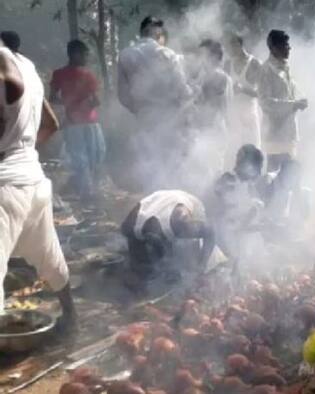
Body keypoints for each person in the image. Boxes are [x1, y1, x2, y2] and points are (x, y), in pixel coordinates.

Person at [0, 41, 76, 327]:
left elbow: (9, 83)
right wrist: (23, 151)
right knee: (50, 259)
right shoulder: (28, 66)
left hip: (5, 186)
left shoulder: (5, 64)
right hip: (32, 180)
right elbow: (51, 124)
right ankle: (72, 320)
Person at [117, 16, 193, 189]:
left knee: (148, 165)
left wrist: (139, 109)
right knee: (170, 167)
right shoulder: (168, 54)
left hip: (144, 117)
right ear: (157, 32)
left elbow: (122, 95)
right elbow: (182, 90)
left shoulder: (126, 55)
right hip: (169, 118)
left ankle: (152, 206)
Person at [120, 190, 218, 283]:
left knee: (192, 253)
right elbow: (138, 256)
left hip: (182, 199)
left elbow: (210, 232)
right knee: (142, 265)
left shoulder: (180, 223)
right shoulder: (129, 228)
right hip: (156, 200)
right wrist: (139, 267)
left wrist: (202, 263)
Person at [50, 40, 106, 202]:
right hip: (84, 123)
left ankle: (88, 191)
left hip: (84, 123)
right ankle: (89, 193)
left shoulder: (79, 74)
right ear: (74, 54)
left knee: (86, 158)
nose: (86, 57)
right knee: (90, 157)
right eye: (84, 54)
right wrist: (77, 104)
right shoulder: (84, 75)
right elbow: (96, 101)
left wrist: (70, 104)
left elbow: (52, 98)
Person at [257, 30, 308, 172]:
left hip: (288, 132)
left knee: (290, 174)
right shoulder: (266, 70)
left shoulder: (285, 68)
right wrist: (294, 105)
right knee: (274, 175)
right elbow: (265, 102)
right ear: (274, 47)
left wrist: (301, 100)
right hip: (275, 134)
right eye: (285, 45)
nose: (289, 48)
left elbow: (292, 92)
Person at [226, 34, 262, 151]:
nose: (229, 51)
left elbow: (262, 92)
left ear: (239, 45)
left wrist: (243, 89)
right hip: (233, 114)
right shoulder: (228, 64)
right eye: (228, 47)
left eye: (232, 47)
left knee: (253, 150)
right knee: (234, 152)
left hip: (249, 114)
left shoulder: (254, 63)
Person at [262, 158, 310, 231]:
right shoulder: (270, 183)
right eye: (288, 173)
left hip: (287, 232)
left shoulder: (301, 192)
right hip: (268, 230)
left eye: (295, 175)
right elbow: (263, 211)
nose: (291, 177)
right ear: (281, 173)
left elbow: (305, 217)